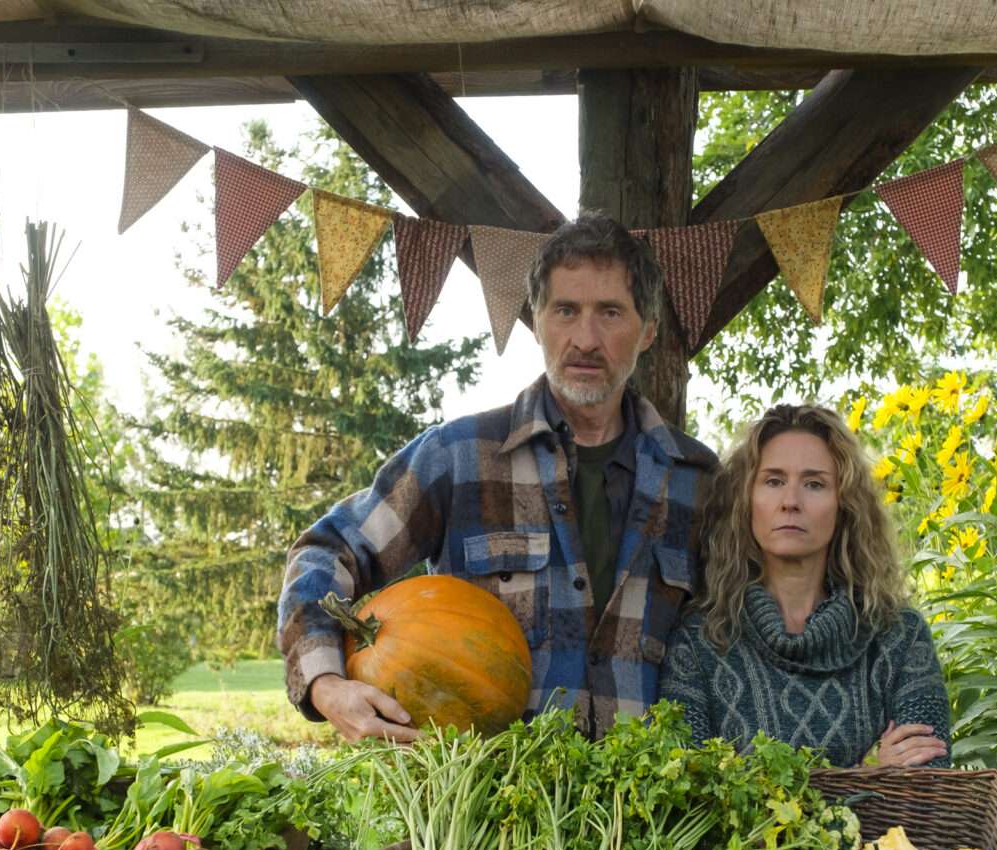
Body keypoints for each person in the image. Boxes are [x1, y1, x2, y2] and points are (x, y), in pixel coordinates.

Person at [277, 212, 718, 741]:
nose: (586, 338)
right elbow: (326, 551)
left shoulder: (698, 480)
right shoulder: (458, 457)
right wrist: (325, 682)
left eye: (610, 313)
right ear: (537, 318)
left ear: (647, 330)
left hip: (653, 809)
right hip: (489, 809)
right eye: (566, 310)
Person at [659, 402, 952, 768]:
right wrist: (869, 773)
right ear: (745, 499)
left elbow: (929, 781)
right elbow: (691, 798)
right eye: (774, 481)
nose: (791, 502)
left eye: (814, 484)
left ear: (844, 503)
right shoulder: (700, 641)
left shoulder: (899, 638)